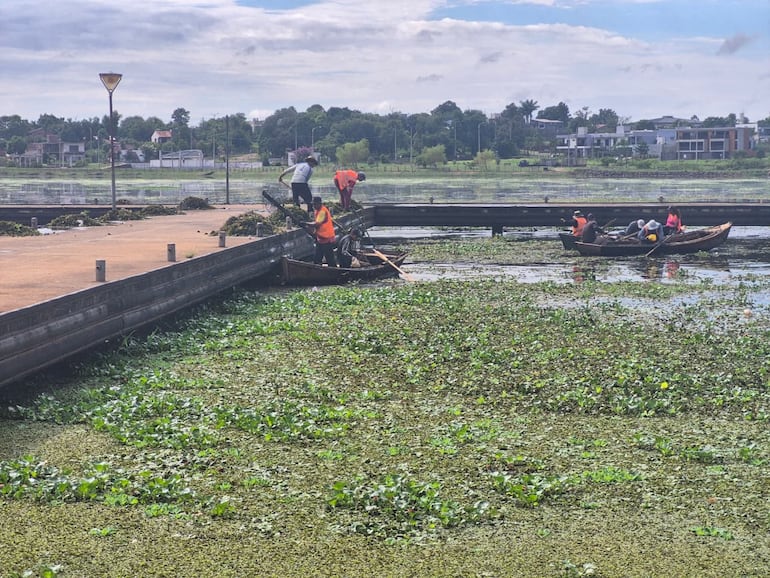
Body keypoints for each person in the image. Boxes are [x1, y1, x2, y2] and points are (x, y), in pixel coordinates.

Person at [303, 195, 337, 266]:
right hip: (321, 238)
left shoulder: (322, 211)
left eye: (315, 204)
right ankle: (317, 269)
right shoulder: (317, 211)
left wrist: (305, 223)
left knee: (329, 258)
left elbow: (316, 224)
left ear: (319, 203)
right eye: (313, 204)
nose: (313, 206)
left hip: (327, 239)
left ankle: (334, 272)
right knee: (317, 257)